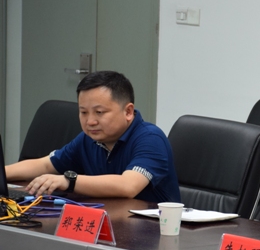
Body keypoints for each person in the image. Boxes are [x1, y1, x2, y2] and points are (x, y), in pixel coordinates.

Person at [5, 71, 180, 203]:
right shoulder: (88, 139)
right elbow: (45, 165)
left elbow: (128, 185)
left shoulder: (150, 139)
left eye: (99, 112)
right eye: (83, 112)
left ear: (128, 111)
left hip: (152, 233)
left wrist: (69, 180)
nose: (90, 121)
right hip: (107, 222)